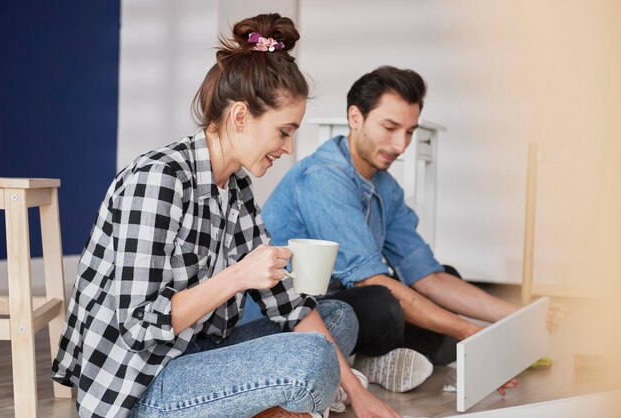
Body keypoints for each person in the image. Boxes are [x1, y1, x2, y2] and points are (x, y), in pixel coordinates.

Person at [52, 15, 400, 418]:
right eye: (284, 131)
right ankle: (290, 404)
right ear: (239, 117)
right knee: (310, 361)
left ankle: (289, 404)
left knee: (336, 319)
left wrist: (361, 398)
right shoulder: (159, 180)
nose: (287, 148)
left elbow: (288, 306)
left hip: (199, 353)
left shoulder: (237, 189)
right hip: (140, 383)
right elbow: (139, 327)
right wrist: (237, 276)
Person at [262, 66, 520, 393]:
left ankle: (379, 360)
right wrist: (468, 330)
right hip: (296, 313)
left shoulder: (386, 188)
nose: (400, 145)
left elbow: (427, 275)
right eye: (390, 127)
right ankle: (371, 361)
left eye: (409, 132)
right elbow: (368, 279)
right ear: (356, 118)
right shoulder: (324, 176)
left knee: (445, 279)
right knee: (382, 302)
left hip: (347, 299)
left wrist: (513, 317)